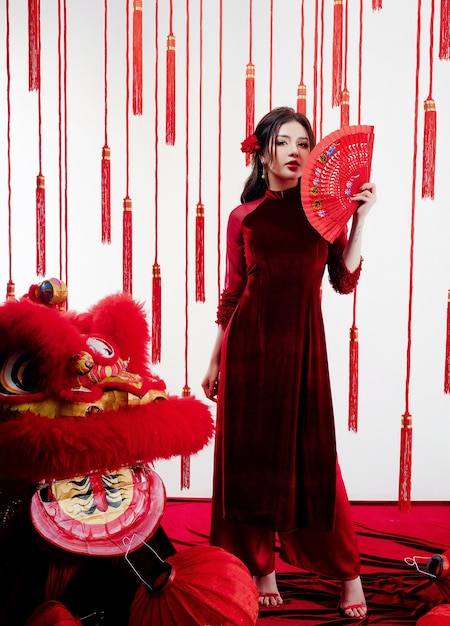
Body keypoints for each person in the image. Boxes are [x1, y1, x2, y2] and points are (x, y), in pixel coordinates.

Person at [202, 106, 376, 619]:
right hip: (247, 350)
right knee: (249, 462)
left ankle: (347, 572)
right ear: (262, 151)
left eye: (304, 143)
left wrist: (360, 219)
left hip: (303, 352)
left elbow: (343, 280)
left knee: (315, 463)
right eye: (284, 142)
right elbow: (233, 292)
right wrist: (214, 360)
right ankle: (261, 567)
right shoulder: (244, 217)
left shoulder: (325, 212)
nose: (296, 152)